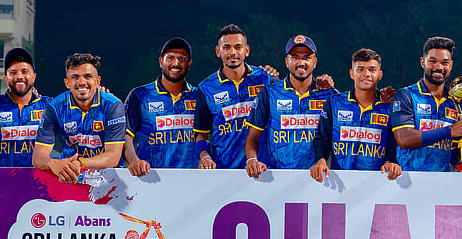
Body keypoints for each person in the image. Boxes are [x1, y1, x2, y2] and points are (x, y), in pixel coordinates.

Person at [0, 47, 51, 220]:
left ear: (33, 76)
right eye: (13, 72)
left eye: (24, 71)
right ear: (6, 78)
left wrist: (98, 97)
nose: (19, 76)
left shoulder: (50, 107)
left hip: (40, 193)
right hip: (0, 193)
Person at [244, 34, 337, 176]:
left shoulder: (329, 94)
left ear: (315, 62)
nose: (301, 63)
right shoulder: (270, 93)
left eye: (307, 58)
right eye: (295, 57)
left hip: (318, 179)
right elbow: (252, 137)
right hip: (278, 178)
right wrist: (251, 160)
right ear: (287, 61)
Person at [32, 53, 127, 183]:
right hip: (70, 177)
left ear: (97, 81)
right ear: (67, 82)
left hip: (109, 179)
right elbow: (38, 158)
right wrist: (52, 163)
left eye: (88, 76)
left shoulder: (113, 105)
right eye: (75, 77)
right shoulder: (54, 107)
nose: (82, 82)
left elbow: (113, 157)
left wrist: (80, 163)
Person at [310, 48, 402, 181]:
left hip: (378, 182)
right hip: (340, 182)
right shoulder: (335, 102)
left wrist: (390, 162)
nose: (366, 74)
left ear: (380, 74)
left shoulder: (390, 107)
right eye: (360, 69)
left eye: (372, 70)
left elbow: (394, 143)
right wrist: (321, 161)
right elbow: (322, 138)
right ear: (352, 73)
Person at [192, 24, 275, 170]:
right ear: (218, 51)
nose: (232, 52)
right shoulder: (206, 88)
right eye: (226, 47)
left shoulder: (266, 79)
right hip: (224, 171)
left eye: (238, 47)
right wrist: (204, 156)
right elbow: (201, 134)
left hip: (263, 169)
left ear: (246, 50)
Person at [390, 36, 462, 172]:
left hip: (443, 181)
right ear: (423, 62)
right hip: (410, 180)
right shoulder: (406, 96)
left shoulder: (456, 102)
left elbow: (450, 150)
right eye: (433, 61)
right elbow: (404, 139)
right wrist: (449, 131)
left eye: (444, 63)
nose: (439, 67)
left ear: (451, 65)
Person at [123, 37, 200, 174]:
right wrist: (134, 160)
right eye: (170, 58)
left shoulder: (199, 96)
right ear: (161, 62)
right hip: (150, 179)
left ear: (189, 64)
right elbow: (125, 136)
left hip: (192, 179)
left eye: (181, 59)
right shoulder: (139, 95)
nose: (176, 63)